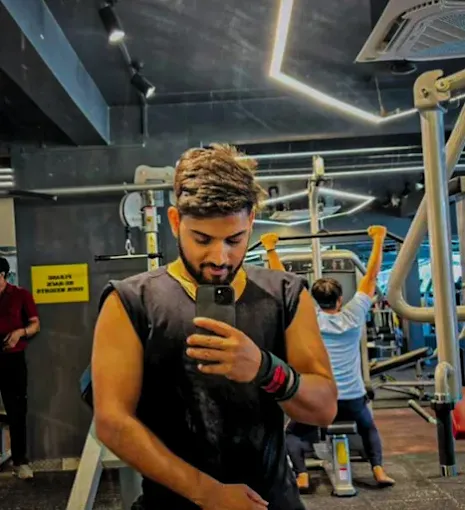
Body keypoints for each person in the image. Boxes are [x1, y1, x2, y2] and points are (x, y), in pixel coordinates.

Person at [91, 144, 337, 510]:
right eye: (202, 239)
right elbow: (112, 422)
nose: (219, 258)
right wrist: (207, 493)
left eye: (234, 240)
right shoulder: (130, 302)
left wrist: (265, 368)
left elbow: (323, 409)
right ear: (175, 221)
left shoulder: (285, 294)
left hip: (271, 501)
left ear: (251, 220)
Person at [261, 227, 395, 488]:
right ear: (340, 299)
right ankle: (378, 469)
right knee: (368, 427)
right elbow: (371, 276)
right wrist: (378, 239)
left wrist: (270, 248)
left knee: (293, 435)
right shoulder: (354, 315)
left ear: (314, 299)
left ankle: (301, 474)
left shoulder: (309, 318)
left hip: (320, 399)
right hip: (352, 399)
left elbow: (283, 281)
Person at [0, 257, 40, 479]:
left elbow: (35, 324)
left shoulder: (20, 295)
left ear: (3, 275)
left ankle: (20, 461)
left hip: (12, 359)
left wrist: (19, 333)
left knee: (16, 411)